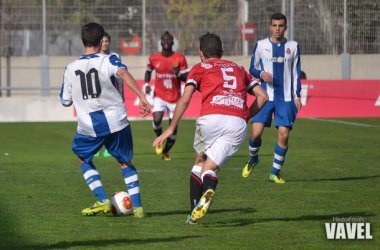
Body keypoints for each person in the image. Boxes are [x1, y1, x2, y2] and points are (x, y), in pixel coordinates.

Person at [153, 33, 268, 225]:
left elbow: (186, 99)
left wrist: (171, 128)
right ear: (222, 52)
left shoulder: (199, 67)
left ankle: (193, 210)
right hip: (237, 123)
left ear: (201, 53)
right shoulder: (238, 69)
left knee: (199, 161)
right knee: (210, 169)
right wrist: (245, 116)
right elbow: (263, 96)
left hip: (210, 119)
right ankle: (204, 198)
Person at [60, 22, 150, 217]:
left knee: (82, 157)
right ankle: (139, 208)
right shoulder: (109, 60)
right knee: (125, 162)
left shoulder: (70, 68)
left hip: (89, 125)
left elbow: (65, 101)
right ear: (101, 41)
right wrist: (142, 97)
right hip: (116, 119)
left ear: (82, 41)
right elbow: (123, 73)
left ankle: (101, 199)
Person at [242, 13, 302, 184]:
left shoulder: (293, 46)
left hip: (286, 99)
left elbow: (296, 73)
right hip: (266, 97)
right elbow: (252, 69)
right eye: (274, 25)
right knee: (255, 133)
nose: (277, 29)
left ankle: (275, 173)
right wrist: (261, 73)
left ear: (285, 27)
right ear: (270, 27)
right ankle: (253, 160)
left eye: (281, 25)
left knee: (283, 136)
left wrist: (297, 95)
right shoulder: (261, 45)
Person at [145, 31, 189, 161]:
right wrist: (147, 83)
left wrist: (177, 74)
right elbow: (148, 71)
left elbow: (186, 77)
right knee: (157, 119)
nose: (166, 42)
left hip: (175, 98)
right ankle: (160, 139)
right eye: (163, 40)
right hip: (159, 95)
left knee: (173, 127)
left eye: (168, 40)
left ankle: (165, 151)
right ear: (160, 42)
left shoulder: (180, 58)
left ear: (172, 43)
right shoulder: (154, 58)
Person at [94, 32, 124, 158]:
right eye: (102, 41)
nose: (104, 44)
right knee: (98, 122)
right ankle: (96, 147)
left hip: (111, 95)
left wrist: (121, 94)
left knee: (112, 122)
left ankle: (108, 148)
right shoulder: (94, 57)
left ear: (109, 42)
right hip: (98, 95)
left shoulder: (115, 56)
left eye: (106, 41)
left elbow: (120, 78)